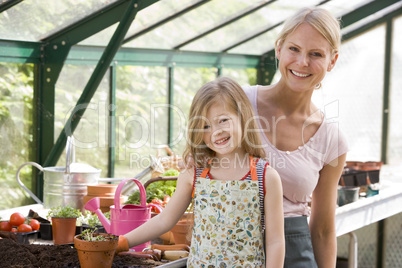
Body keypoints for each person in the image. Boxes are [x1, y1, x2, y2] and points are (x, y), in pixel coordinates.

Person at [117, 77, 285, 267]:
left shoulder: (266, 177)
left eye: (223, 120)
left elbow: (275, 242)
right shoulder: (194, 175)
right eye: (205, 126)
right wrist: (123, 241)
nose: (216, 132)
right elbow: (164, 220)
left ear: (243, 117)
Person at [242, 7, 348, 267]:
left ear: (331, 61)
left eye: (316, 54)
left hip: (295, 254)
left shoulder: (332, 140)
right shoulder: (239, 103)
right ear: (279, 49)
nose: (302, 62)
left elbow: (322, 228)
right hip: (232, 249)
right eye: (294, 49)